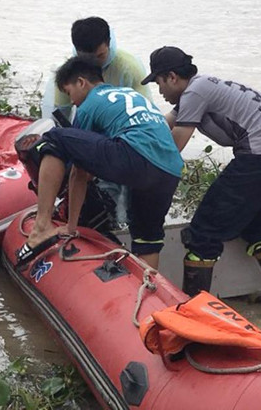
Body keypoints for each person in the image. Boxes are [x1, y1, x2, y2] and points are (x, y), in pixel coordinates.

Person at [142, 47, 261, 307]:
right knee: (255, 224)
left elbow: (172, 149)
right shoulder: (201, 88)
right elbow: (162, 124)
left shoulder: (194, 92)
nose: (160, 91)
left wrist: (146, 177)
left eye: (159, 83)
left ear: (171, 77)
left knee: (203, 231)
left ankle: (194, 310)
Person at [25, 56, 182, 270]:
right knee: (148, 239)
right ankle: (151, 290)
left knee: (55, 138)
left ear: (82, 82)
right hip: (170, 170)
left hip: (134, 156)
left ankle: (40, 227)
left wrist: (71, 226)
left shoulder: (89, 104)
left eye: (69, 92)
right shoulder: (131, 95)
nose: (72, 101)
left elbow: (79, 172)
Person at [42, 16, 151, 121]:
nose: (94, 64)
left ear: (108, 44)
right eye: (86, 58)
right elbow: (60, 116)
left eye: (100, 56)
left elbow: (147, 111)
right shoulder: (68, 75)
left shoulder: (130, 68)